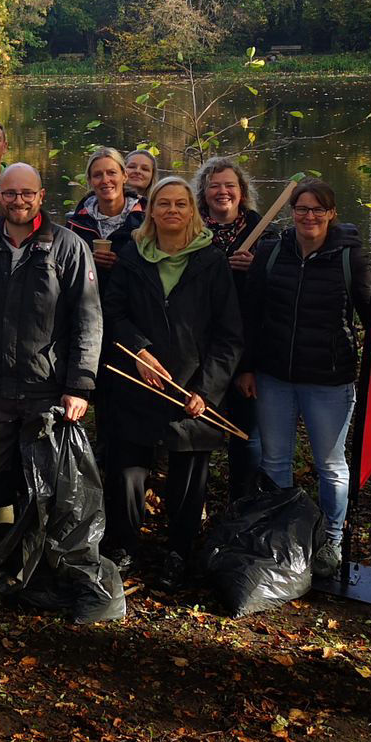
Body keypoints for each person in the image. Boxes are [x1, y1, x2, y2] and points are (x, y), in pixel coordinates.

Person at [100, 177, 244, 590]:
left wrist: (206, 390)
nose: (172, 211)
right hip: (138, 386)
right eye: (164, 203)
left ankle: (179, 551)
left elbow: (229, 335)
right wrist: (140, 351)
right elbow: (113, 314)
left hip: (192, 392)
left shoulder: (211, 262)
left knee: (188, 479)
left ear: (192, 211)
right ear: (151, 210)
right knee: (127, 473)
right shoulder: (131, 257)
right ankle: (125, 546)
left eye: (181, 204)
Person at [236, 178, 371, 578]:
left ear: (331, 213)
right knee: (275, 459)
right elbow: (252, 312)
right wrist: (246, 366)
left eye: (317, 209)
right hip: (274, 375)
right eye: (301, 208)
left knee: (330, 465)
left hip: (329, 379)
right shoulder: (272, 252)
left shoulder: (350, 258)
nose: (308, 216)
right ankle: (285, 532)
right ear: (291, 212)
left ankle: (332, 538)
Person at [0, 163, 103, 539]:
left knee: (45, 475)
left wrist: (80, 385)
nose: (18, 201)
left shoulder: (69, 247)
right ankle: (4, 541)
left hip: (48, 386)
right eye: (10, 193)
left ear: (41, 196)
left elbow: (88, 319)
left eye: (27, 193)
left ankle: (43, 548)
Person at [191, 155, 267, 501]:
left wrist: (256, 270)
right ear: (203, 193)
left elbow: (266, 306)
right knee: (196, 430)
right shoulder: (190, 232)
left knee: (245, 435)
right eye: (214, 185)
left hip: (244, 352)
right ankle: (195, 505)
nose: (222, 192)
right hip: (198, 352)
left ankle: (243, 505)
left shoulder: (262, 235)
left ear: (242, 192)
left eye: (229, 185)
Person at [66, 147, 145, 285]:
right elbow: (65, 270)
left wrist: (120, 263)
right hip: (89, 302)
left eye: (112, 173)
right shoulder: (76, 224)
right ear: (90, 181)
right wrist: (88, 260)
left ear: (124, 176)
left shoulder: (145, 219)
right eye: (97, 175)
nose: (105, 180)